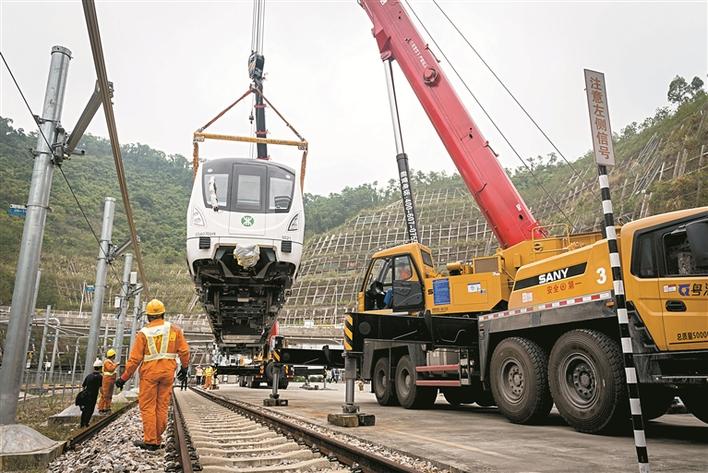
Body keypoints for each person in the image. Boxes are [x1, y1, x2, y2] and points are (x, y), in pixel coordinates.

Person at [115, 299, 189, 451]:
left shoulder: (143, 333)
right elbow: (184, 351)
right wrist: (185, 368)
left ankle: (151, 441)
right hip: (168, 373)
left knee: (148, 406)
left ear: (148, 316)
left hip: (149, 374)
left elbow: (135, 359)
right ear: (163, 314)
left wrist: (124, 378)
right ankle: (156, 438)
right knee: (162, 406)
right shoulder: (174, 330)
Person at [77, 359, 103, 427]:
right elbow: (100, 388)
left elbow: (83, 386)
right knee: (90, 410)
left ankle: (82, 424)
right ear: (100, 368)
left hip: (86, 395)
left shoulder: (89, 376)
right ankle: (86, 423)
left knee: (85, 410)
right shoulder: (100, 377)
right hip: (93, 396)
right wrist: (103, 395)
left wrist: (83, 394)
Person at [98, 348, 118, 413]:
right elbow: (111, 369)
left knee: (109, 395)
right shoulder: (107, 362)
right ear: (113, 355)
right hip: (107, 380)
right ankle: (101, 408)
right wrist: (116, 365)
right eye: (114, 355)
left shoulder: (110, 362)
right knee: (105, 394)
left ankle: (107, 407)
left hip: (110, 380)